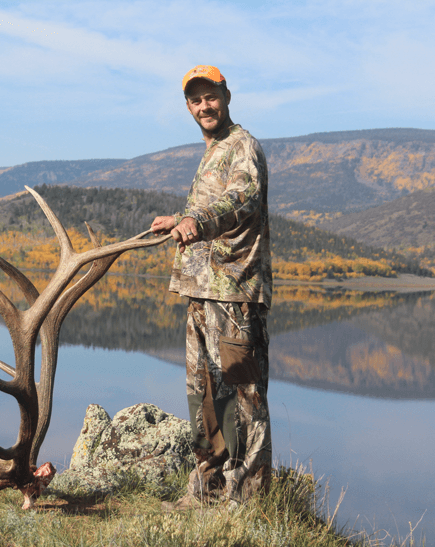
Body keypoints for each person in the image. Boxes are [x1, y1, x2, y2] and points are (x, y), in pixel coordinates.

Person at [151, 65, 273, 508]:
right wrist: (177, 220)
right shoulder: (212, 151)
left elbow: (241, 200)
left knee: (244, 402)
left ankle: (248, 505)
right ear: (188, 106)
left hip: (235, 295)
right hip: (201, 294)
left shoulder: (243, 146)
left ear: (226, 95)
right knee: (204, 399)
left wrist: (195, 221)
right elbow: (204, 212)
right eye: (196, 100)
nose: (205, 106)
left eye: (211, 96)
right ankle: (206, 493)